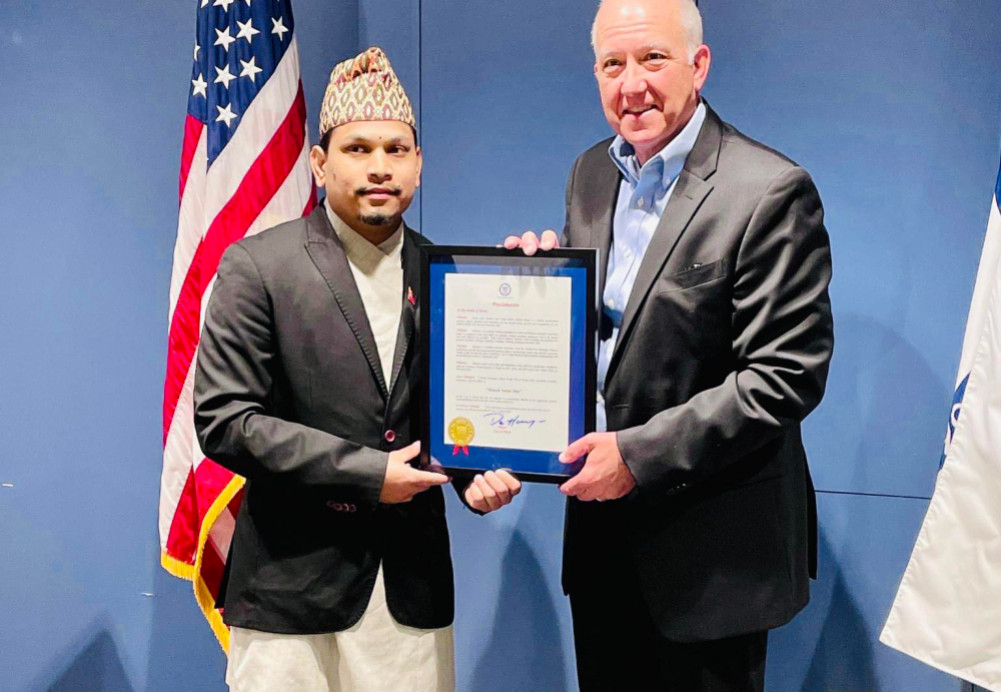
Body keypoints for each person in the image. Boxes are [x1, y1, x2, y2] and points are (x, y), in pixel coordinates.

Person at [507, 1, 834, 689]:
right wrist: (534, 290)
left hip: (711, 561)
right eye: (612, 64)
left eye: (652, 58)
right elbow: (611, 337)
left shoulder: (768, 190)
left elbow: (783, 376)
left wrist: (636, 455)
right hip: (601, 546)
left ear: (698, 64)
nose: (632, 86)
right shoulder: (590, 174)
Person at [194, 47, 520, 692]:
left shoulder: (453, 276)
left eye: (396, 150)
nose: (379, 167)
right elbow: (226, 421)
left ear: (419, 163)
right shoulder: (258, 266)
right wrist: (370, 475)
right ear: (320, 163)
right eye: (358, 149)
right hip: (289, 592)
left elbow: (453, 416)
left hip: (409, 593)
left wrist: (478, 474)